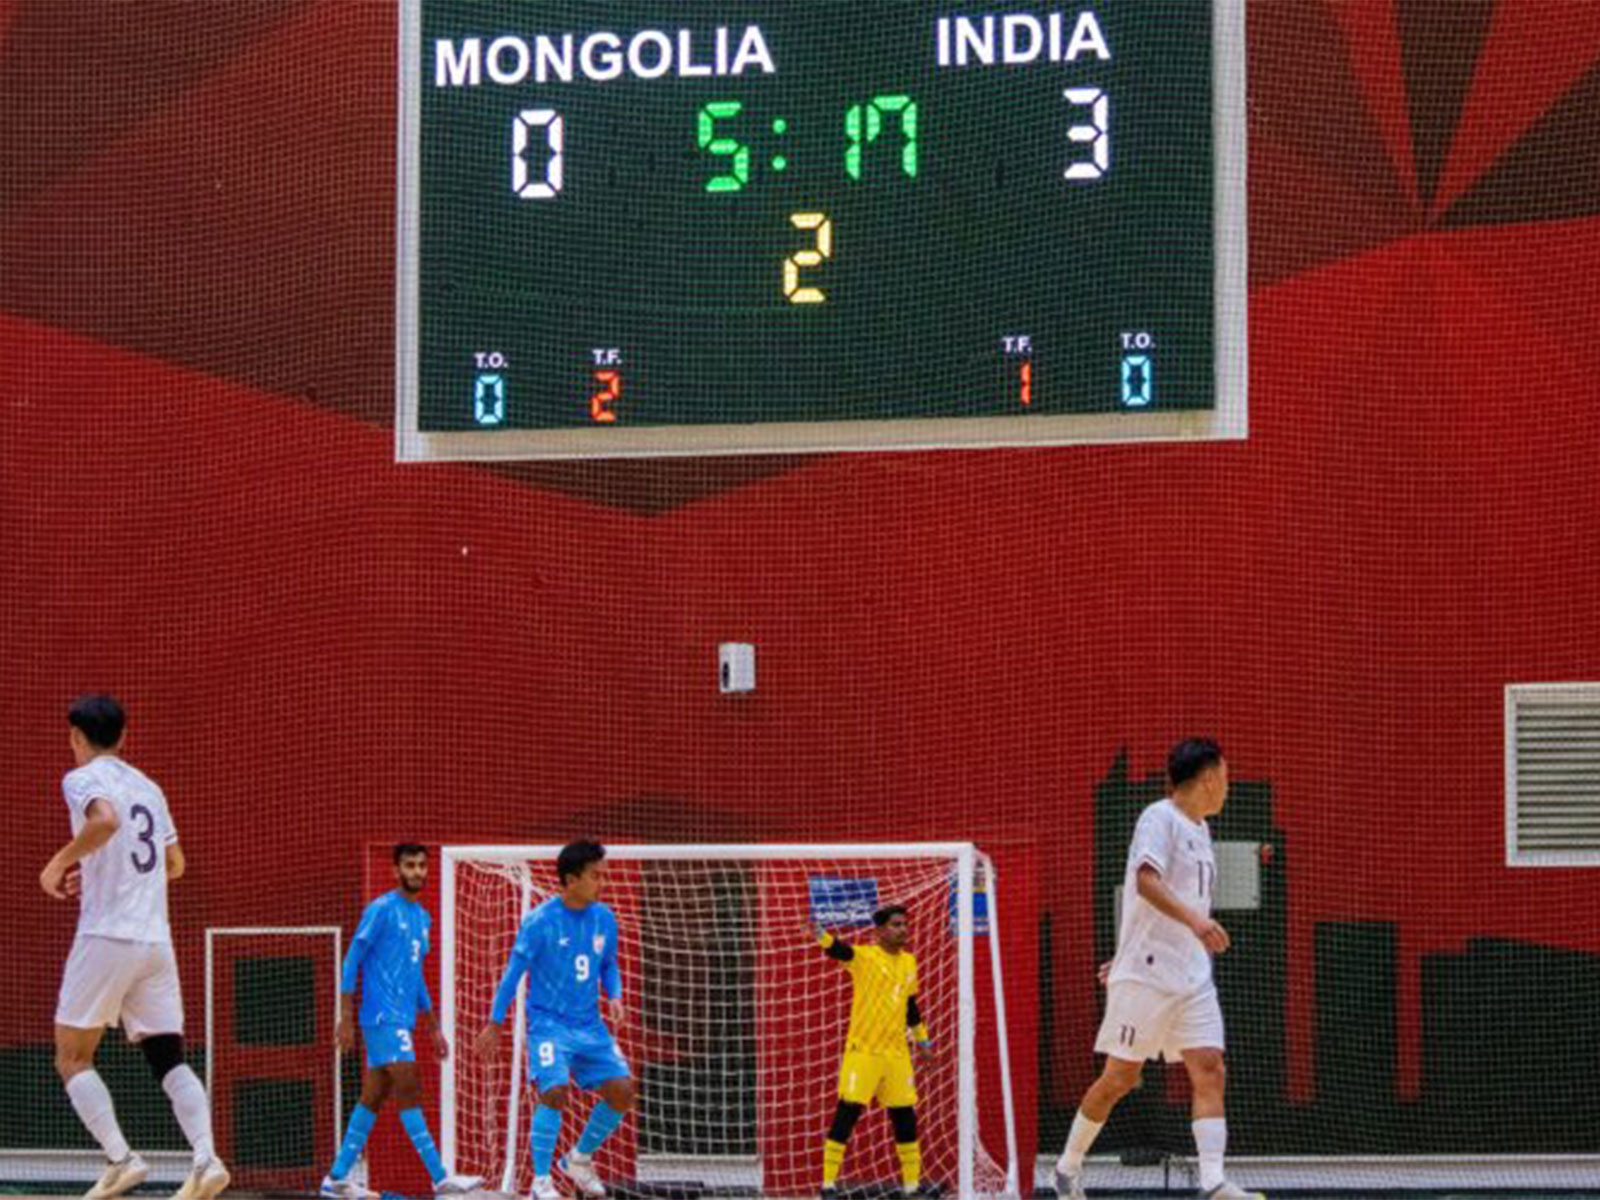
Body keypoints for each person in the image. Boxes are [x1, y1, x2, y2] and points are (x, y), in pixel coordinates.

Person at [1055, 738, 1264, 1200]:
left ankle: (1212, 1183)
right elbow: (1145, 882)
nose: (1227, 786)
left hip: (1192, 975)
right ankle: (1068, 1167)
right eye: (1225, 776)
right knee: (1120, 1078)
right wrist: (1190, 925)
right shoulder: (1159, 818)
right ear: (1209, 777)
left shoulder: (1202, 829)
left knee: (1210, 1067)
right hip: (1147, 976)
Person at [41, 694, 229, 1200]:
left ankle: (121, 1159)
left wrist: (59, 864)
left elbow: (103, 822)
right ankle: (207, 1159)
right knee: (169, 1057)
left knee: (72, 1058)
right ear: (123, 737)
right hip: (155, 940)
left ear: (77, 738)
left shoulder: (81, 778)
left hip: (107, 935)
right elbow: (175, 864)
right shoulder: (149, 785)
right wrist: (100, 873)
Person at [475, 841, 635, 1200]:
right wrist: (495, 1022)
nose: (602, 882)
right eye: (596, 876)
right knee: (554, 1091)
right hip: (549, 1025)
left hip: (590, 1026)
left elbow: (608, 964)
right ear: (571, 879)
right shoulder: (539, 921)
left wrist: (615, 996)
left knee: (623, 1091)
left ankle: (578, 1159)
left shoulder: (604, 918)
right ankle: (541, 1182)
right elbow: (513, 973)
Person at [321, 844, 482, 1197]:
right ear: (396, 871)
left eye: (422, 865)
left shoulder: (422, 917)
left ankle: (335, 1178)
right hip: (381, 1016)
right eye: (410, 865)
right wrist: (345, 1017)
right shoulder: (380, 910)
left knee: (374, 1096)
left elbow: (415, 973)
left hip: (403, 1019)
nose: (417, 872)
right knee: (410, 1084)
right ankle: (440, 1178)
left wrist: (433, 1024)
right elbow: (352, 960)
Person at [811, 905, 936, 1197]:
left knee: (905, 1116)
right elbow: (840, 950)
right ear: (879, 931)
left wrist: (924, 1042)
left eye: (905, 924)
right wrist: (820, 935)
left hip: (896, 1055)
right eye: (895, 924)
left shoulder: (909, 962)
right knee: (848, 1112)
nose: (903, 929)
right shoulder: (866, 957)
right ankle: (827, 1184)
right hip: (864, 1052)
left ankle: (912, 1186)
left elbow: (911, 1007)